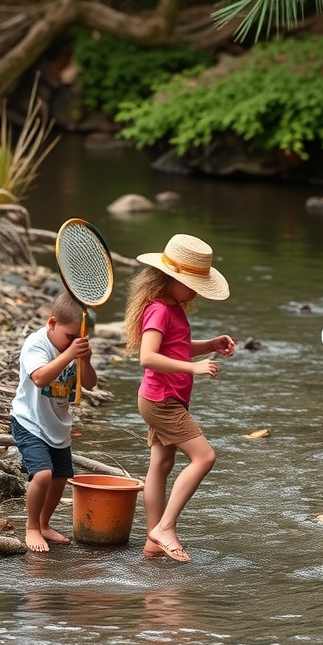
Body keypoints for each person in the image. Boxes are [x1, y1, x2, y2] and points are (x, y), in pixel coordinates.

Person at [124, 233, 236, 563]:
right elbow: (148, 357)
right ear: (172, 278)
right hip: (162, 400)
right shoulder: (158, 310)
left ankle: (151, 542)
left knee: (161, 464)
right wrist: (195, 368)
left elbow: (176, 347)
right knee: (204, 457)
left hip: (161, 398)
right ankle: (165, 527)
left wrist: (210, 345)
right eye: (192, 285)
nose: (195, 293)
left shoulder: (171, 308)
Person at [10, 290, 97, 552]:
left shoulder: (73, 348)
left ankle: (45, 523)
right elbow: (40, 378)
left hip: (57, 424)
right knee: (43, 474)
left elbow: (90, 384)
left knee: (61, 477)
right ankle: (32, 527)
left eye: (81, 338)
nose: (74, 342)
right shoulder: (37, 344)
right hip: (29, 420)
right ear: (52, 323)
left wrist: (85, 360)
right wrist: (69, 353)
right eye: (70, 336)